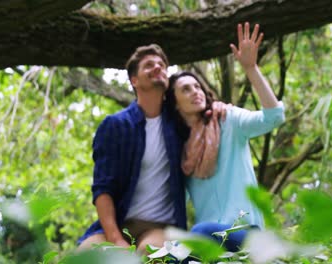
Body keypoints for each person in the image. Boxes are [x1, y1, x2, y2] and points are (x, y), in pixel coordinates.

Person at [77, 44, 227, 253]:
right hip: (118, 224)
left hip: (161, 227)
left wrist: (215, 106)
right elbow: (103, 190)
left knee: (149, 252)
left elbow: (201, 112)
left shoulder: (177, 123)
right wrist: (115, 238)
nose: (158, 67)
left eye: (162, 65)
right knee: (86, 255)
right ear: (134, 80)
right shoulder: (116, 126)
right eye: (149, 65)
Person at [166, 22, 285, 251]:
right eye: (186, 89)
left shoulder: (228, 119)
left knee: (196, 235)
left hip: (246, 235)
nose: (195, 92)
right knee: (170, 253)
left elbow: (274, 117)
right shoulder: (180, 152)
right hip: (209, 240)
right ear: (175, 104)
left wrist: (251, 68)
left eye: (197, 87)